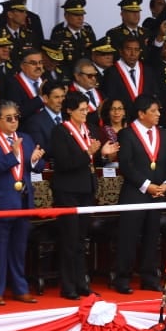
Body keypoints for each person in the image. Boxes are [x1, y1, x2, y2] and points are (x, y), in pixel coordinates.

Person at [47, 90, 117, 300]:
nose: (85, 113)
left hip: (86, 189)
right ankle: (68, 286)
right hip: (68, 191)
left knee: (81, 240)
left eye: (87, 109)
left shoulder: (90, 130)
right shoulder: (60, 131)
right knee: (69, 240)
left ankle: (82, 283)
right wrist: (88, 153)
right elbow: (63, 163)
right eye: (81, 109)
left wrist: (103, 155)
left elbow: (93, 160)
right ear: (69, 110)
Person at [113, 95, 166, 295]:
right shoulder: (127, 134)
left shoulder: (163, 134)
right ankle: (123, 278)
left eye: (158, 110)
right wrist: (147, 185)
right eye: (153, 111)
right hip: (135, 194)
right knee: (128, 238)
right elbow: (126, 165)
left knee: (152, 237)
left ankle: (149, 277)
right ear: (141, 113)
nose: (158, 114)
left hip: (158, 194)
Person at [0, 99, 42, 306]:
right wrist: (12, 155)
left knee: (19, 249)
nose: (14, 121)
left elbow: (37, 166)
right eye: (8, 118)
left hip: (23, 201)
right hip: (0, 203)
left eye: (16, 117)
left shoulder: (25, 138)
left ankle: (20, 289)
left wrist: (35, 160)